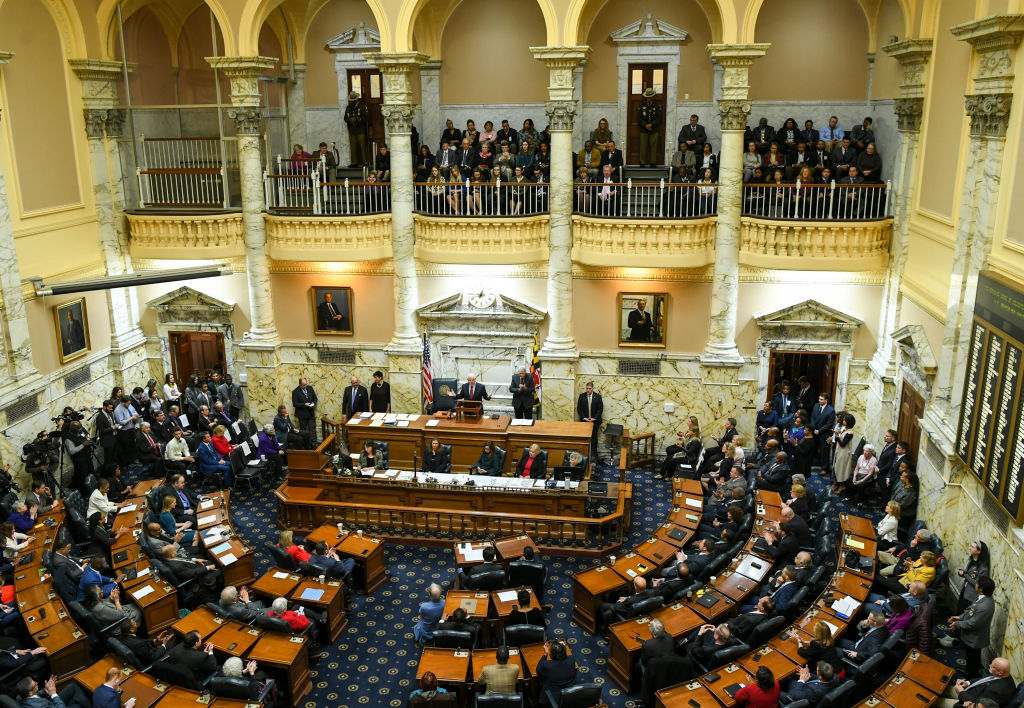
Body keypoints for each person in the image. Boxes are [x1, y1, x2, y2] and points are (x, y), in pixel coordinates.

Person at [949, 577, 995, 678]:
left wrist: (957, 624)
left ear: (981, 589)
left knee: (973, 657)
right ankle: (970, 670)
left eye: (977, 583)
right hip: (971, 636)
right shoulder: (981, 597)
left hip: (975, 638)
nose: (975, 584)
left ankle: (970, 676)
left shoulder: (985, 606)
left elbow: (972, 624)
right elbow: (970, 610)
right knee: (971, 657)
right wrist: (960, 617)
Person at [937, 657, 1015, 708]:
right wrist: (967, 683)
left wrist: (961, 692)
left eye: (992, 666)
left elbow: (976, 704)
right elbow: (983, 680)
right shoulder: (1004, 674)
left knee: (938, 702)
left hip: (966, 701)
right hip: (970, 690)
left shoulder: (997, 692)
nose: (990, 665)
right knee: (941, 688)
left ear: (1000, 672)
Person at [537, 639, 577, 706]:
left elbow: (538, 670)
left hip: (556, 696)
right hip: (570, 693)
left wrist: (545, 653)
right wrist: (562, 648)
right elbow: (566, 658)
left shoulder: (547, 665)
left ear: (552, 654)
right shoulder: (571, 659)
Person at [16, 675, 92, 708]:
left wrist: (46, 689)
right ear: (30, 693)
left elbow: (36, 695)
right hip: (52, 705)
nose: (37, 683)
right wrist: (53, 694)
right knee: (77, 706)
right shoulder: (39, 706)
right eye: (35, 685)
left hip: (49, 703)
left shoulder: (21, 697)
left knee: (72, 687)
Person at [576, 381, 603, 458]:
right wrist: (584, 418)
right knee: (585, 439)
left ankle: (594, 454)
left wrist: (594, 418)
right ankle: (585, 454)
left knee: (594, 438)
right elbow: (579, 409)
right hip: (584, 421)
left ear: (592, 388)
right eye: (587, 388)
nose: (588, 390)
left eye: (589, 388)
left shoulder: (598, 397)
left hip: (595, 421)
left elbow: (600, 409)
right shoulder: (582, 396)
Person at [414, 583, 445, 648]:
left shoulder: (424, 606)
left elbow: (421, 616)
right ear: (441, 594)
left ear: (429, 594)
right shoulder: (445, 603)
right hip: (439, 628)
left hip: (427, 631)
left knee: (417, 625)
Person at [343, 91, 368, 167]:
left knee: (363, 146)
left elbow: (366, 118)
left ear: (356, 100)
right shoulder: (348, 108)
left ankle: (365, 162)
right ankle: (354, 162)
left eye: (353, 100)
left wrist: (357, 119)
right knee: (353, 147)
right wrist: (349, 120)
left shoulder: (362, 107)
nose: (351, 102)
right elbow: (345, 118)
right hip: (352, 130)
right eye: (351, 101)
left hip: (360, 130)